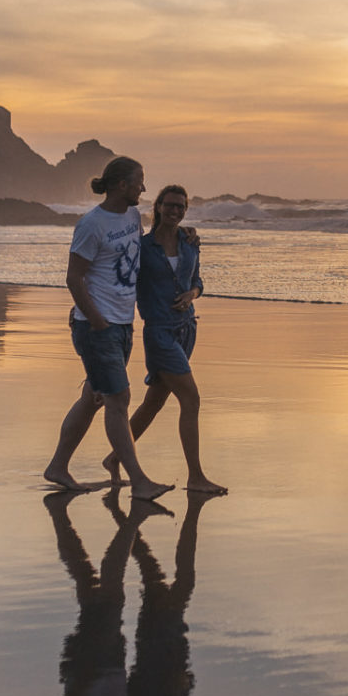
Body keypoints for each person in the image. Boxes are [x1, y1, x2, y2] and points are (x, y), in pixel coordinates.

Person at [44, 157, 172, 500]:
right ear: (121, 185)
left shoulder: (132, 216)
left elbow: (144, 251)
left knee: (93, 397)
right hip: (97, 326)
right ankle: (140, 481)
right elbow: (74, 278)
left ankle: (58, 466)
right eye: (139, 182)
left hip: (122, 323)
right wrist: (98, 322)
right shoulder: (91, 224)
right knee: (119, 399)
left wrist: (182, 237)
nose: (144, 188)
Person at [104, 184, 226, 494]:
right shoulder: (142, 247)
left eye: (180, 206)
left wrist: (192, 293)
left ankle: (114, 457)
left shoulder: (190, 244)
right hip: (158, 332)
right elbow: (118, 280)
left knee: (153, 403)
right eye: (169, 205)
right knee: (191, 399)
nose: (175, 211)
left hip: (187, 330)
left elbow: (198, 281)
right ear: (157, 207)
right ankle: (196, 476)